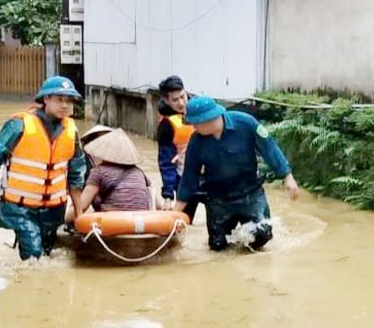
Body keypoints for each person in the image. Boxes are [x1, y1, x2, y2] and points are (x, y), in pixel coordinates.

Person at [0, 76, 87, 260]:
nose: (65, 106)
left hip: (54, 209)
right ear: (46, 99)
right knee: (33, 256)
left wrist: (79, 215)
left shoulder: (71, 131)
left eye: (69, 101)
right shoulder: (19, 125)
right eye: (59, 99)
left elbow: (76, 175)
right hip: (20, 207)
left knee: (47, 253)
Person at [174, 96, 300, 252]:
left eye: (195, 124)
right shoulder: (196, 142)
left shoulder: (246, 124)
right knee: (218, 247)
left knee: (262, 236)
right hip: (218, 200)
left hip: (251, 195)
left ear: (208, 120)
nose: (193, 127)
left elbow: (269, 148)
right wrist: (175, 216)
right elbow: (188, 180)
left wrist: (287, 176)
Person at [74, 128, 152, 215]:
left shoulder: (99, 172)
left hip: (111, 223)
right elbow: (157, 204)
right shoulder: (139, 172)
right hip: (141, 222)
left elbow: (80, 207)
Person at [156, 75, 202, 222]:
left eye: (183, 97)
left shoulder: (201, 111)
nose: (181, 103)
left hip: (210, 177)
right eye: (175, 100)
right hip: (185, 180)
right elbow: (166, 162)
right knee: (186, 222)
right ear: (166, 100)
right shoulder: (166, 126)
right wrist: (168, 195)